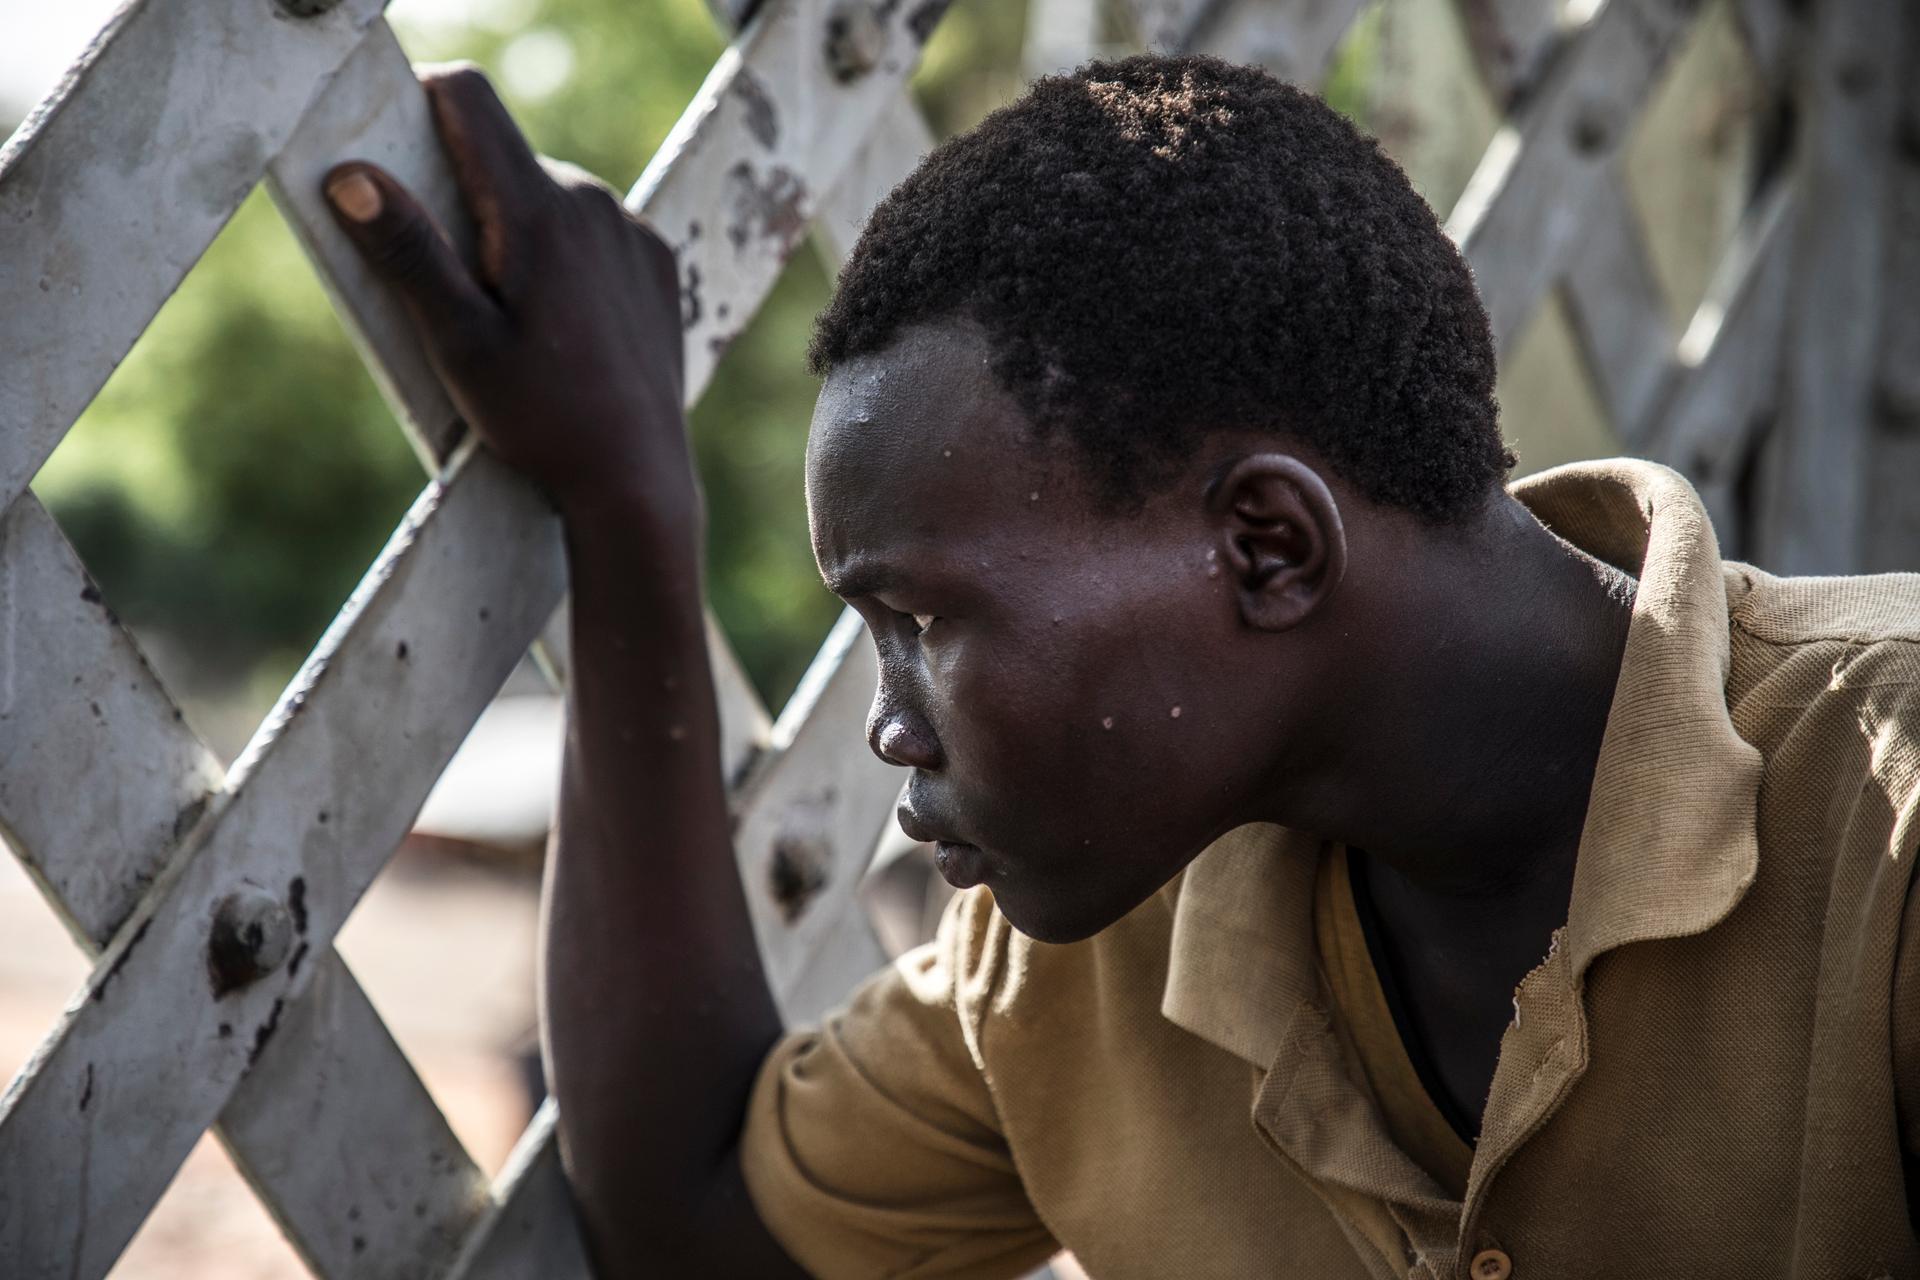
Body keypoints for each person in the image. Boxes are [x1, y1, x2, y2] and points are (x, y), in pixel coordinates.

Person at [321, 53, 1920, 1279]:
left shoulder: (1892, 820)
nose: (886, 727)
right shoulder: (1105, 937)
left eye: (925, 621)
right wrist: (620, 503)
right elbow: (707, 1222)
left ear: (1268, 549)